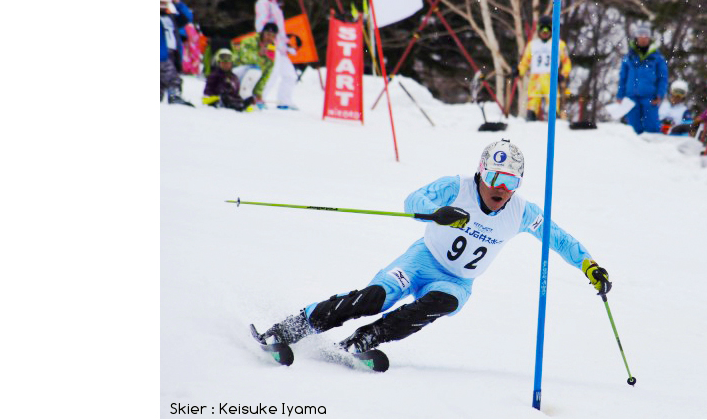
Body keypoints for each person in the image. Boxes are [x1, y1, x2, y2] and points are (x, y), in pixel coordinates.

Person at [257, 139, 613, 354]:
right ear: (481, 171)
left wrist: (589, 266)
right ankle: (293, 327)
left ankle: (366, 340)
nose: (500, 188)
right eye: (494, 177)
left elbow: (560, 239)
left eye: (510, 181)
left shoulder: (523, 212)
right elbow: (412, 202)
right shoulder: (455, 186)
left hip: (456, 282)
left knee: (441, 302)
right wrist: (435, 213)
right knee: (375, 299)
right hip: (419, 261)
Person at [255, 0, 298, 110]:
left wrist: (286, 43)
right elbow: (260, 23)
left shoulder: (276, 5)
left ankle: (284, 101)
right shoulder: (263, 2)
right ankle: (258, 99)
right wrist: (266, 37)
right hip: (270, 44)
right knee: (271, 73)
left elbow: (280, 29)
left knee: (290, 75)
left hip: (280, 46)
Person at [615, 25, 668, 134]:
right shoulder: (629, 57)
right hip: (631, 97)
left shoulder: (657, 58)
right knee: (633, 128)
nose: (643, 38)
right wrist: (620, 95)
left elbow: (663, 78)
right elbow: (623, 77)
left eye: (646, 36)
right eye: (640, 36)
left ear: (649, 38)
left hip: (650, 97)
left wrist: (660, 94)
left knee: (652, 127)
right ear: (636, 38)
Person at [517, 15, 572, 121]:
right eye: (542, 29)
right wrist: (519, 71)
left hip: (551, 77)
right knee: (532, 102)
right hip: (535, 77)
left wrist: (563, 75)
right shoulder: (532, 45)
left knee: (553, 100)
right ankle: (531, 119)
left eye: (548, 29)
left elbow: (566, 61)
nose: (545, 32)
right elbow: (525, 62)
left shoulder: (559, 44)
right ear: (538, 30)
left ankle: (555, 120)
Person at [231, 23, 280, 109]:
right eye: (268, 34)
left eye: (273, 36)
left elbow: (266, 74)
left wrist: (258, 93)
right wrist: (259, 55)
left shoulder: (271, 50)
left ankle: (251, 97)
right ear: (262, 33)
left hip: (250, 80)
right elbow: (244, 58)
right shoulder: (250, 41)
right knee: (255, 69)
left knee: (263, 72)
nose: (270, 38)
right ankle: (244, 96)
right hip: (234, 74)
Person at [160, 0, 194, 106]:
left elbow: (187, 17)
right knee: (172, 78)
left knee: (161, 83)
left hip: (172, 52)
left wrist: (178, 3)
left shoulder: (170, 17)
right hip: (161, 54)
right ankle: (175, 96)